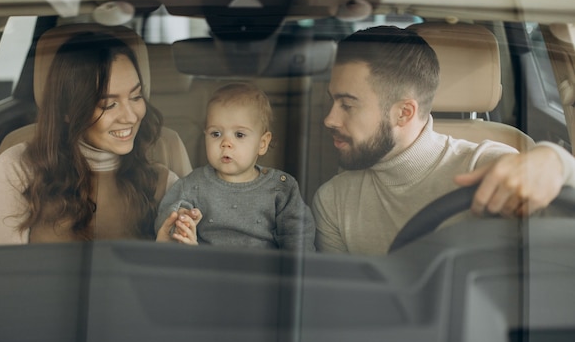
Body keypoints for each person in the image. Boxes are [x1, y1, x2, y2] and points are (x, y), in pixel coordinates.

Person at [312, 25, 575, 255]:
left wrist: (559, 163)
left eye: (347, 105)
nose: (329, 119)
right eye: (332, 100)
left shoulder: (489, 165)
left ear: (404, 113)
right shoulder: (333, 200)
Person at [0, 31, 199, 245]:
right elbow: (6, 273)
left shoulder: (165, 182)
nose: (131, 116)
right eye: (108, 105)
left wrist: (166, 252)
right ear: (68, 110)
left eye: (136, 97)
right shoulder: (19, 168)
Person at [155, 82, 315, 251]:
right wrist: (181, 221)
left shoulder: (281, 187)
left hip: (262, 273)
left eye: (239, 134)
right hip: (206, 270)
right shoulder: (193, 184)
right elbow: (166, 220)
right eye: (216, 134)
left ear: (262, 143)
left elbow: (298, 239)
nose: (226, 143)